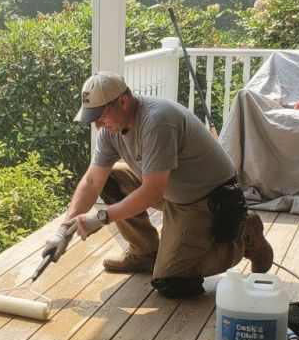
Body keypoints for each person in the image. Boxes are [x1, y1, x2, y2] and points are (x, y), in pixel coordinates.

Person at [43, 71, 273, 298]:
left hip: (208, 199)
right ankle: (145, 252)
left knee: (171, 282)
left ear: (122, 101)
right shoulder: (111, 130)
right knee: (112, 179)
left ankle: (244, 235)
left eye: (101, 116)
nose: (97, 125)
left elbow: (152, 192)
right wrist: (63, 231)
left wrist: (101, 217)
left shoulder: (156, 121)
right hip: (171, 191)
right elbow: (92, 180)